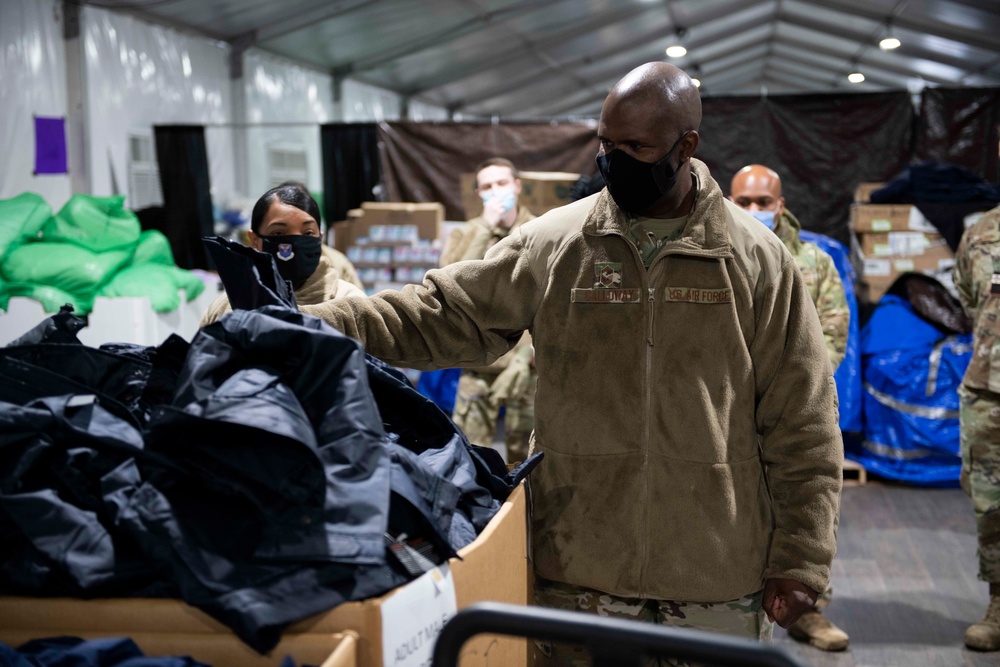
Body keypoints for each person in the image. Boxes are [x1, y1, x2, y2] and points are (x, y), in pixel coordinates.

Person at [299, 62, 842, 664]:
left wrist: (801, 556)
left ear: (686, 145)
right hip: (579, 573)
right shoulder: (558, 243)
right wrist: (311, 323)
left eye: (634, 147)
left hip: (713, 581)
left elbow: (804, 419)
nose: (613, 160)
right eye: (605, 143)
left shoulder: (754, 260)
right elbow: (440, 312)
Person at [730, 164, 851, 652]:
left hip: (795, 413)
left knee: (807, 509)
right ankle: (731, 611)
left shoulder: (816, 263)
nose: (755, 211)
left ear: (782, 205)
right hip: (732, 416)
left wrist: (792, 392)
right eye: (745, 202)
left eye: (764, 202)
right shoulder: (719, 257)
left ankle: (810, 610)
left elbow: (832, 337)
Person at [440, 158, 537, 463]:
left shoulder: (539, 230)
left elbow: (549, 301)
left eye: (502, 183)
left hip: (527, 367)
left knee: (530, 460)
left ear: (517, 186)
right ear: (479, 194)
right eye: (487, 186)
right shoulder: (464, 234)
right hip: (477, 364)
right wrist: (485, 229)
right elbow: (450, 288)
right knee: (471, 459)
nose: (495, 191)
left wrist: (525, 358)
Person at [199, 184, 365, 327]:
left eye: (307, 233)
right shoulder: (226, 307)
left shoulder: (350, 301)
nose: (294, 242)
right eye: (278, 233)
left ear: (320, 238)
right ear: (255, 240)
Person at [954, 203, 1000, 651]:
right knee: (992, 507)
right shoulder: (981, 233)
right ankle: (999, 604)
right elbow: (970, 297)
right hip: (991, 390)